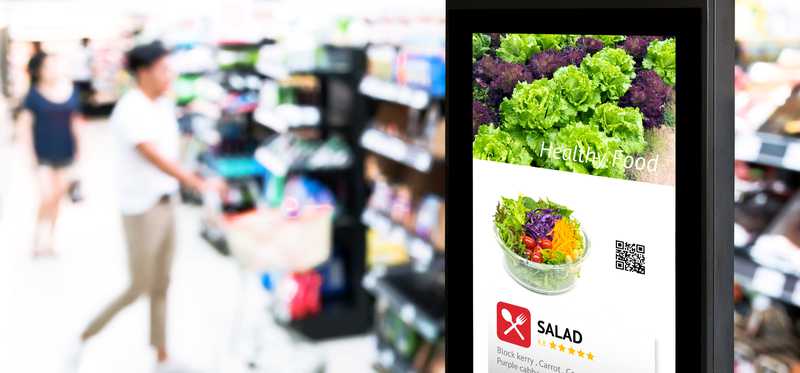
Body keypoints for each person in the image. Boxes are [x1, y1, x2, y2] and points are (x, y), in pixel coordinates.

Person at [72, 41, 225, 372]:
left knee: (162, 282)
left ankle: (161, 355)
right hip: (142, 209)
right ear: (144, 72)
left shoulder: (161, 105)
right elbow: (154, 157)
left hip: (167, 202)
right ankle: (85, 334)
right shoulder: (131, 110)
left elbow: (172, 153)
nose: (169, 75)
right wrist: (197, 182)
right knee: (139, 285)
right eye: (163, 69)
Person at [17, 52, 82, 257]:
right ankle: (37, 238)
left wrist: (82, 151)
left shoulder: (70, 92)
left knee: (57, 198)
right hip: (43, 154)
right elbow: (25, 128)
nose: (52, 70)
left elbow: (76, 123)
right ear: (38, 71)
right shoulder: (33, 96)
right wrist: (30, 156)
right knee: (46, 196)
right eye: (47, 66)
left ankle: (51, 240)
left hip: (65, 152)